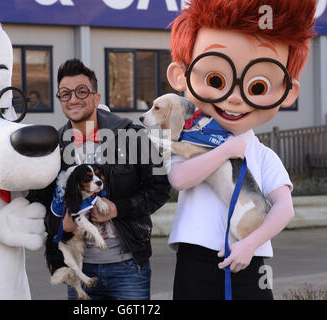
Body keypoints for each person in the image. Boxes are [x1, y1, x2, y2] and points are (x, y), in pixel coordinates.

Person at [165, 0, 316, 300]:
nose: (234, 98)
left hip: (251, 259)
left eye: (257, 87)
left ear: (288, 92)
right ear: (180, 75)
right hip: (194, 257)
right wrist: (223, 151)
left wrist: (249, 245)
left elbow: (284, 208)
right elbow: (179, 179)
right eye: (216, 79)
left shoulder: (263, 155)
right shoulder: (189, 140)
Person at [27, 59, 171, 300]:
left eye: (81, 91)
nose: (73, 99)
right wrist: (59, 225)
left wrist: (118, 209)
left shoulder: (131, 135)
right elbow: (38, 200)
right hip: (80, 269)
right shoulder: (52, 147)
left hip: (127, 268)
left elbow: (160, 188)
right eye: (65, 94)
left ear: (96, 97)